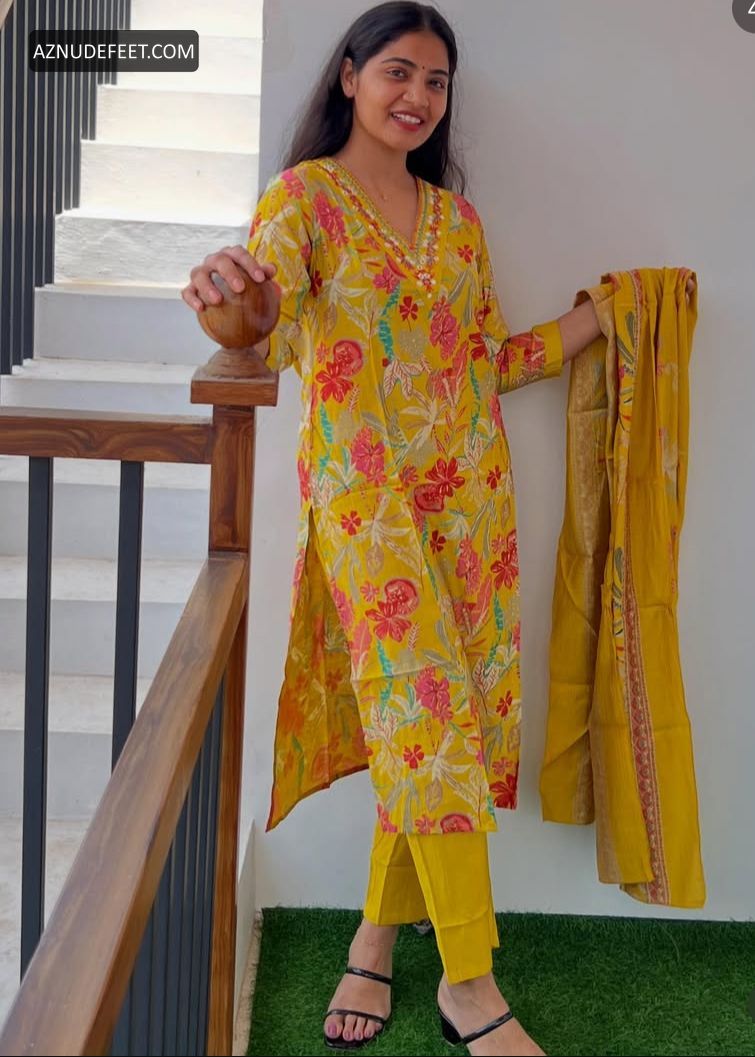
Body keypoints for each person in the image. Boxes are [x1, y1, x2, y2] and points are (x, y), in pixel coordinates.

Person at [182, 4, 694, 1053]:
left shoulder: (455, 223)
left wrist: (608, 313)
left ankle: (373, 939)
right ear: (349, 76)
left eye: (435, 81)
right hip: (366, 513)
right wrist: (226, 302)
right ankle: (468, 980)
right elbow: (260, 325)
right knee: (427, 727)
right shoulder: (302, 200)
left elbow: (484, 363)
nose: (416, 96)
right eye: (398, 72)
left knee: (438, 735)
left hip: (472, 512)